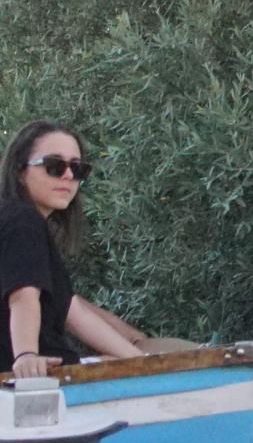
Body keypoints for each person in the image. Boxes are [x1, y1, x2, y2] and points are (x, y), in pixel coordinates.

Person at [0, 121, 147, 376]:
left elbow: (71, 311)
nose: (68, 176)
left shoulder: (19, 223)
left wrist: (141, 361)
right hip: (32, 382)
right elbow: (23, 294)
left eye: (77, 168)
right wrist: (26, 355)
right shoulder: (23, 220)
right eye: (54, 166)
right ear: (20, 171)